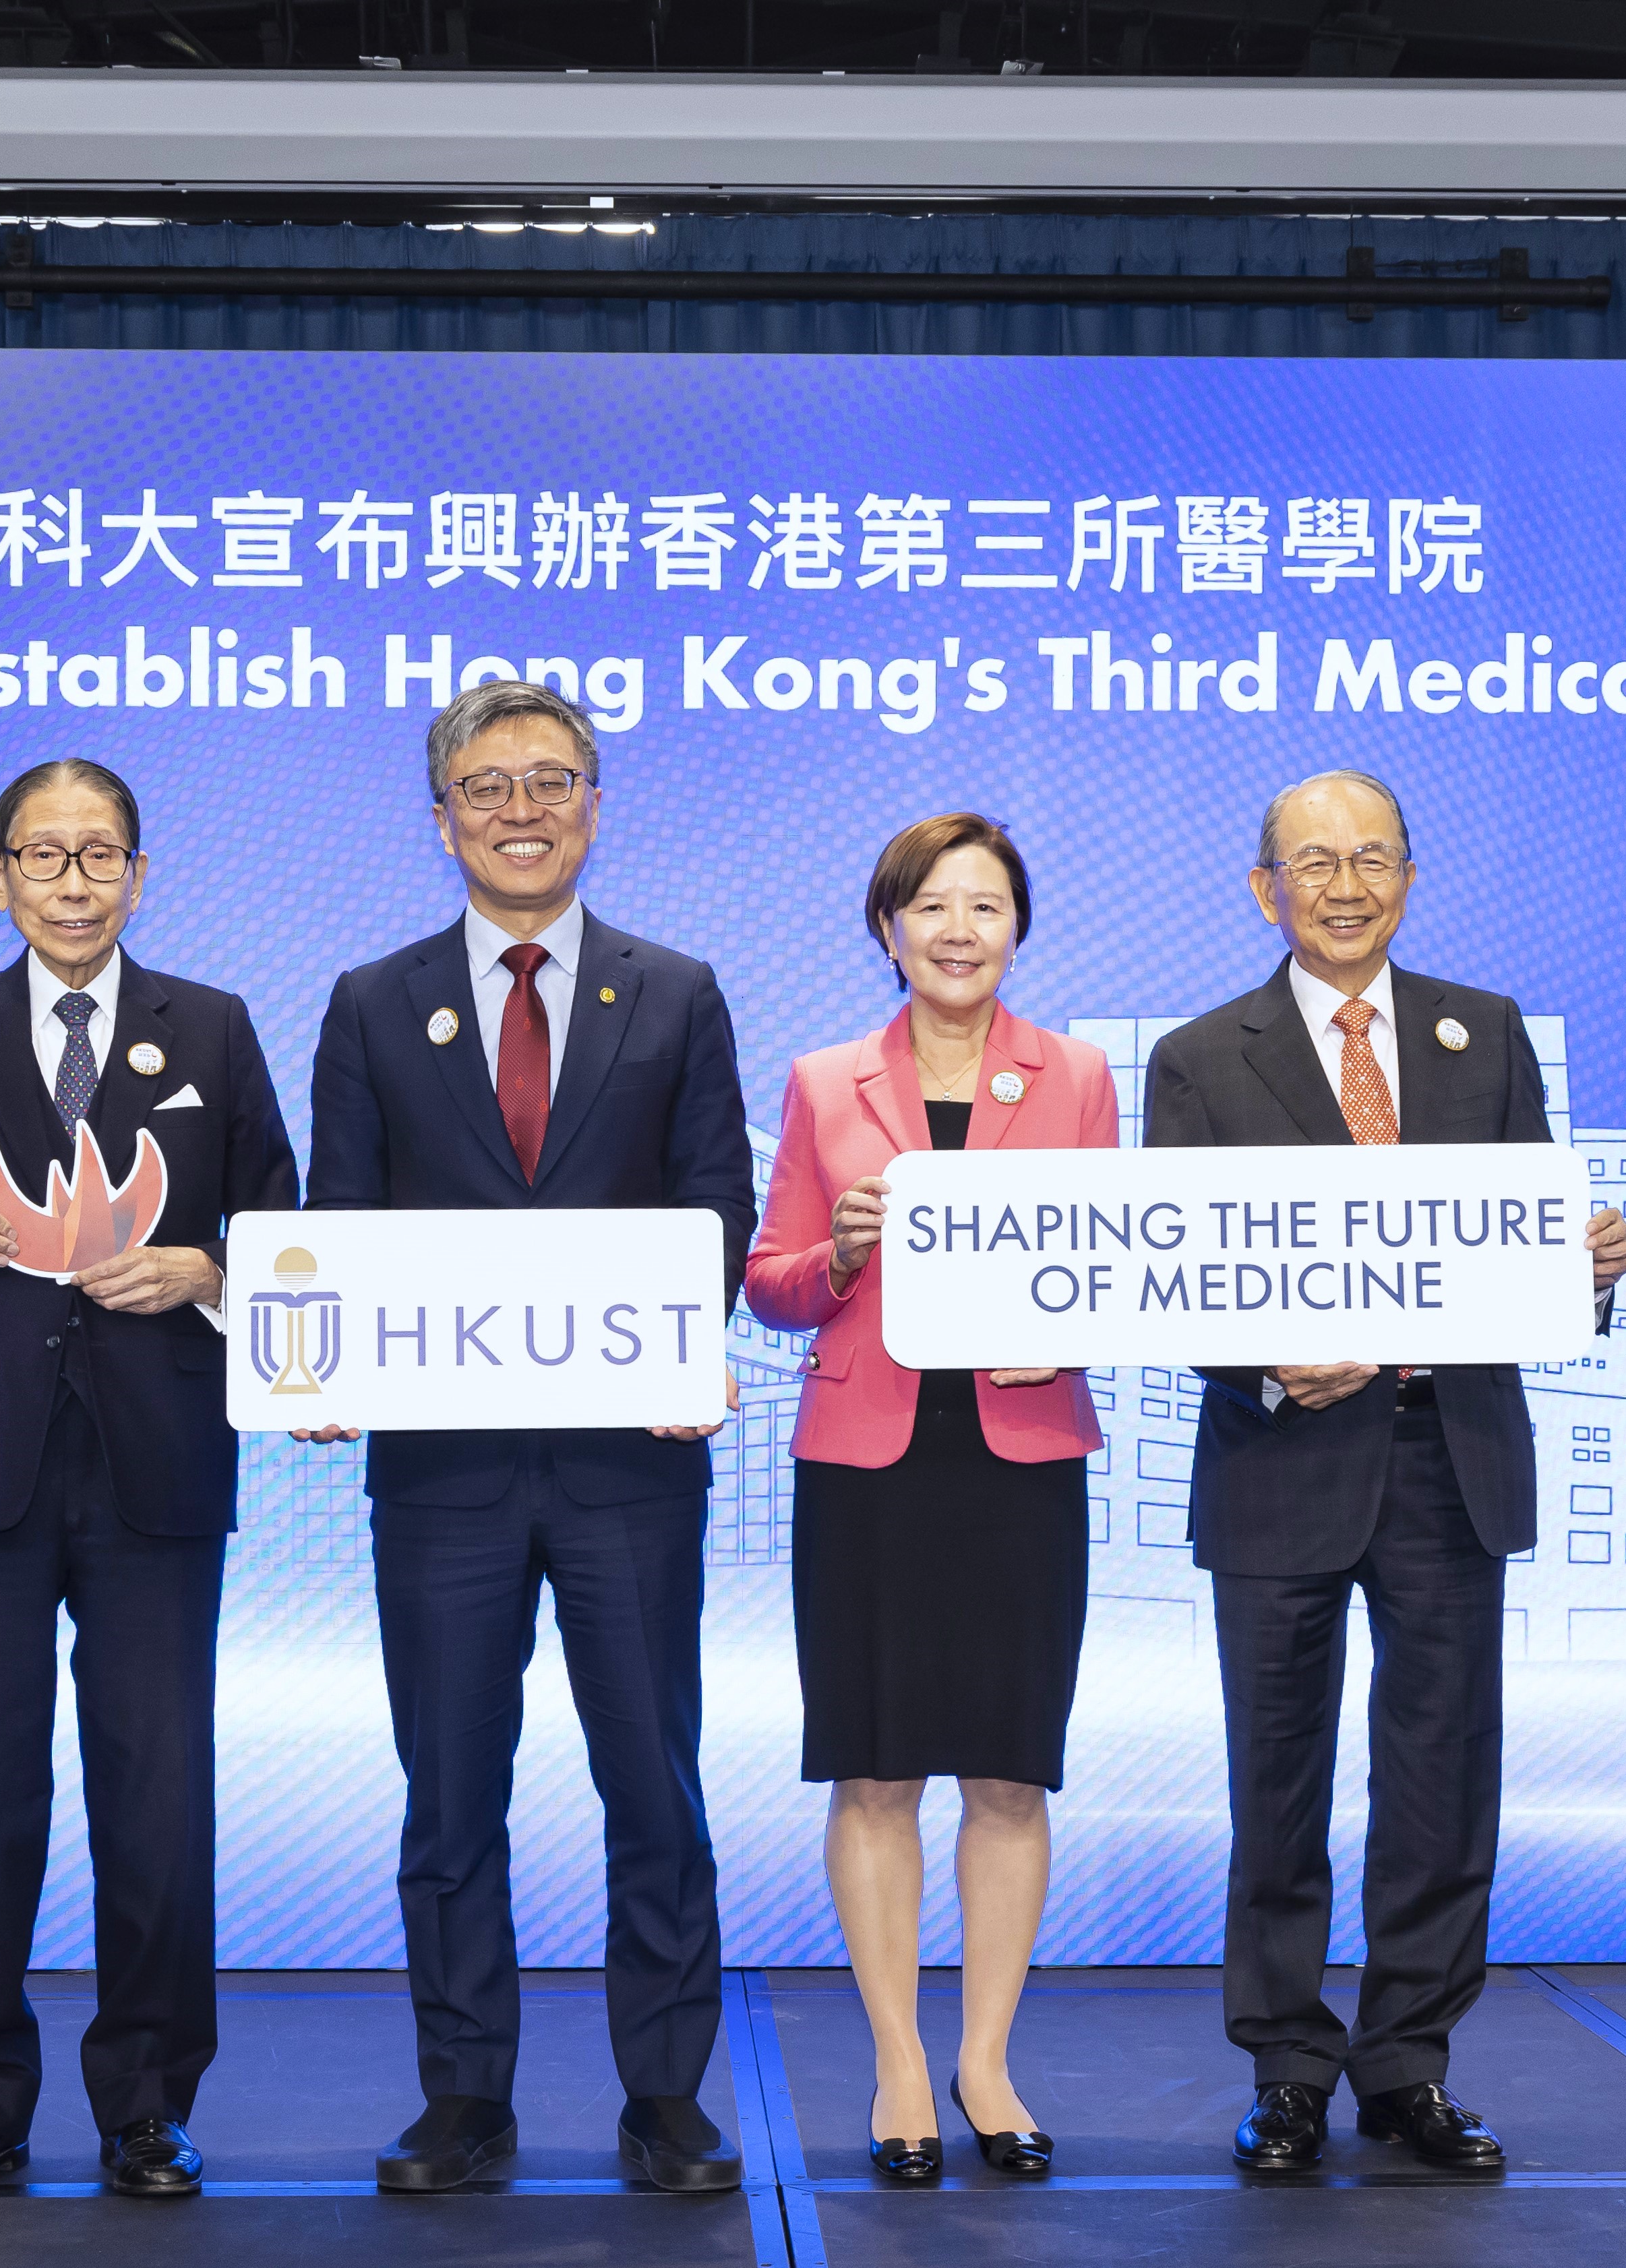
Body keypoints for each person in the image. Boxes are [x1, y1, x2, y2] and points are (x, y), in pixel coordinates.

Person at [299, 681, 758, 2195]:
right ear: (440, 820)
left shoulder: (674, 990)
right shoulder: (373, 1000)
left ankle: (669, 2104)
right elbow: (340, 1228)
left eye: (549, 781)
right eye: (485, 787)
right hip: (443, 1476)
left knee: (656, 1791)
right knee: (449, 1798)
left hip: (630, 1466)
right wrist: (323, 1362)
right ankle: (463, 2102)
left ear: (595, 806)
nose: (519, 809)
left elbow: (714, 1212)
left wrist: (688, 1341)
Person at [1141, 769, 1626, 2176]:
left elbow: (1526, 1243)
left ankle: (1409, 2066)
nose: (1344, 886)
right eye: (1314, 862)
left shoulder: (1485, 1035)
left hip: (1447, 1454)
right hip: (1279, 1458)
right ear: (1264, 888)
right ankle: (1287, 2070)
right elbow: (1171, 1280)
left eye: (1371, 860)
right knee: (1276, 1782)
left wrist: (1583, 1269)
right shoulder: (1200, 1054)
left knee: (1440, 1779)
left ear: (1408, 879)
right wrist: (1259, 1360)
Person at [0, 758, 299, 2203]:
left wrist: (212, 1264)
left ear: (138, 876)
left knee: (157, 1793)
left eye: (101, 856)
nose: (75, 881)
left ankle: (147, 2105)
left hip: (157, 1456)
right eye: (46, 855)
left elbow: (289, 1225)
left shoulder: (207, 1024)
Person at [744, 814, 1117, 2185]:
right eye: (932, 904)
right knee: (878, 1767)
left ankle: (987, 2063)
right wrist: (833, 1253)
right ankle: (902, 2063)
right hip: (870, 1463)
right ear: (887, 926)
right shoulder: (824, 1079)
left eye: (987, 905)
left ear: (1018, 927)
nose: (960, 928)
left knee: (1010, 1772)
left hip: (1019, 1452)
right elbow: (767, 1281)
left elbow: (1109, 1264)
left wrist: (1073, 1323)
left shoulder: (1072, 1075)